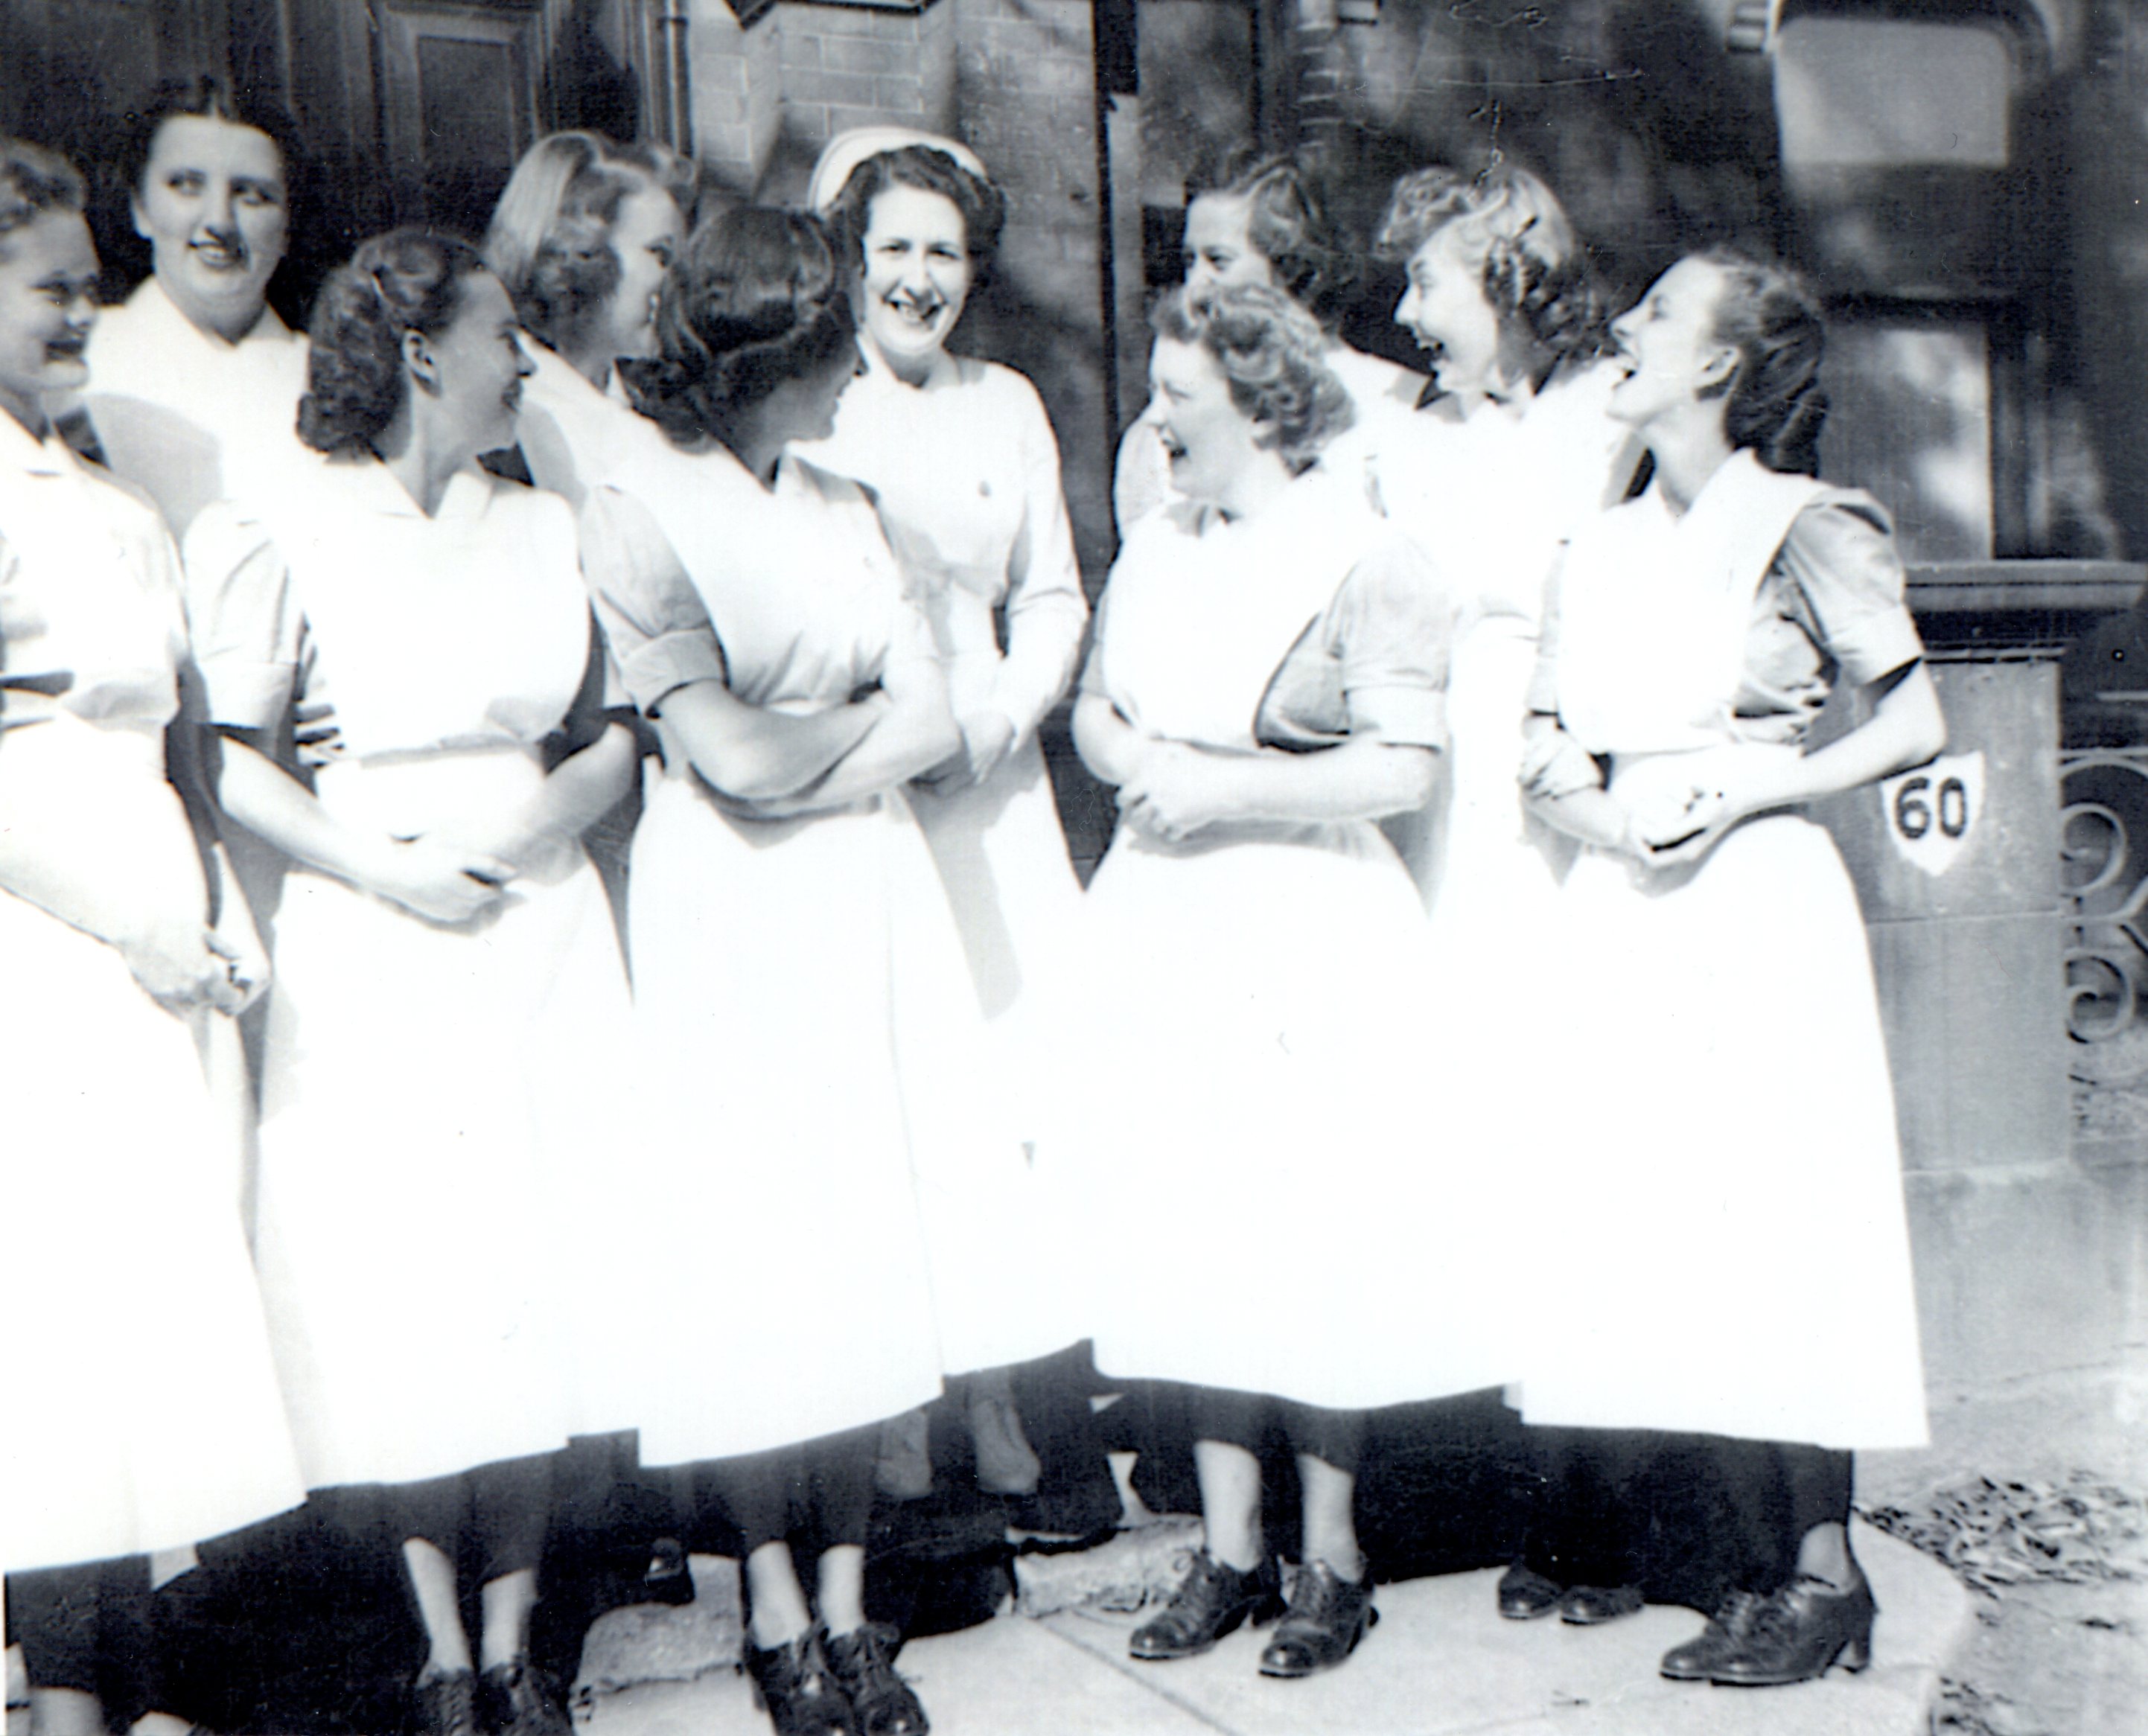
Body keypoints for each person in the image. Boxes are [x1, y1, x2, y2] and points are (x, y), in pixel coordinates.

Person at [181, 228, 639, 1736]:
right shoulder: (289, 519)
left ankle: (514, 1640)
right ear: (426, 351)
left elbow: (611, 734)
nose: (527, 361)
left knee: (533, 1271)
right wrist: (383, 868)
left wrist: (522, 835)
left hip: (536, 918)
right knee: (413, 1292)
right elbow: (229, 758)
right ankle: (437, 1647)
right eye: (504, 332)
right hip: (373, 929)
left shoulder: (540, 526)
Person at [580, 204, 986, 1736]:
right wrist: (841, 742)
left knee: (859, 1255)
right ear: (769, 361)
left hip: (855, 905)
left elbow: (933, 718)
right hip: (729, 917)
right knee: (759, 1269)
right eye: (827, 362)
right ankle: (769, 1607)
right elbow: (722, 757)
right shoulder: (637, 508)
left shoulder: (849, 503)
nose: (846, 390)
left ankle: (847, 1602)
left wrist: (792, 753)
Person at [1519, 247, 1942, 1685]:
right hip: (1622, 898)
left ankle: (1822, 1572)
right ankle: (1739, 1559)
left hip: (1756, 895)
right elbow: (1542, 744)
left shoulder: (1804, 522)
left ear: (1716, 368)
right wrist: (1606, 819)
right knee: (1669, 1227)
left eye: (1651, 317)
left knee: (1778, 1222)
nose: (1618, 334)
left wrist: (1748, 796)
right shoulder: (1597, 539)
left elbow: (1914, 721)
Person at [1061, 282, 1489, 1679]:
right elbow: (1097, 712)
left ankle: (1332, 1558)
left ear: (1259, 401)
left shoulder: (1368, 558)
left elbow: (1404, 765)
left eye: (1180, 396)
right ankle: (1230, 1552)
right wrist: (1143, 771)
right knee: (1194, 1232)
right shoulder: (1159, 551)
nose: (1157, 420)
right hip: (1169, 920)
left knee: (1311, 1239)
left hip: (1307, 922)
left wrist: (1221, 792)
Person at [0, 135, 304, 1736]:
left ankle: (134, 1683)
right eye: (51, 288)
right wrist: (133, 921)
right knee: (58, 1339)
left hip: (153, 938)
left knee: (143, 1335)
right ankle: (65, 1699)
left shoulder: (101, 475)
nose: (81, 312)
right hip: (47, 949)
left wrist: (205, 910)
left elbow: (176, 734)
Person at [801, 127, 1093, 1505]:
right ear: (848, 260)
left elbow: (1051, 596)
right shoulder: (818, 404)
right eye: (895, 249)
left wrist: (997, 722)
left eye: (945, 252)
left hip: (990, 773)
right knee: (894, 1082)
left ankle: (995, 1390)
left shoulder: (1008, 403)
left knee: (1006, 1082)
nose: (919, 279)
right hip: (865, 762)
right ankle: (899, 1410)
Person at [1112, 147, 1424, 532]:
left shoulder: (1392, 399)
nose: (1195, 286)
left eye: (1219, 260)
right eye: (1190, 260)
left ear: (1290, 265)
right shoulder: (1166, 423)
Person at [74, 75, 310, 538]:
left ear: (287, 226)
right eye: (186, 185)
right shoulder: (81, 357)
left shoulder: (327, 370)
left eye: (253, 194)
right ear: (140, 206)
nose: (220, 221)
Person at [481, 129, 694, 508]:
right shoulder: (509, 420)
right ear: (582, 255)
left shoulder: (649, 395)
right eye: (661, 255)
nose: (679, 282)